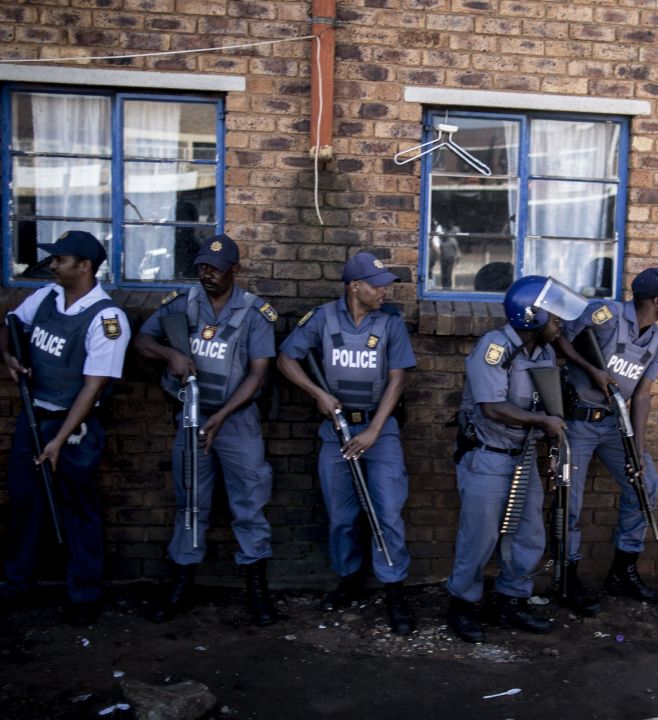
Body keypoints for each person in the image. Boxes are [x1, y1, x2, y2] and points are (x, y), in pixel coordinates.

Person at [135, 235, 280, 626]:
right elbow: (142, 340)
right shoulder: (183, 303)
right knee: (190, 505)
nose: (207, 273)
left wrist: (222, 416)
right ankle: (181, 586)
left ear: (235, 269)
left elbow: (259, 374)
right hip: (191, 417)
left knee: (249, 504)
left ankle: (256, 589)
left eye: (215, 268)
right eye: (202, 266)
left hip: (236, 423)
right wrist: (172, 354)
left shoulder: (254, 313)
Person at [276, 252, 417, 635]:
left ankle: (394, 589)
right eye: (377, 285)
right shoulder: (322, 318)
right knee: (341, 515)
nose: (384, 291)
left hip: (379, 429)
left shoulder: (389, 324)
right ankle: (348, 578)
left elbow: (398, 378)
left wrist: (374, 430)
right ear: (355, 287)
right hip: (336, 429)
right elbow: (286, 358)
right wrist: (316, 394)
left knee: (387, 512)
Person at [445, 275, 586, 643]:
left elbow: (549, 408)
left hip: (523, 459)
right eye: (555, 318)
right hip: (488, 458)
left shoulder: (543, 353)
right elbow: (492, 408)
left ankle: (512, 600)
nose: (561, 325)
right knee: (479, 538)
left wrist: (553, 444)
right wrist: (542, 421)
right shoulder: (494, 347)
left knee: (529, 534)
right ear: (531, 317)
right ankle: (461, 605)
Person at [0, 231, 130, 626]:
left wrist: (58, 440)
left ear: (85, 266)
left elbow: (93, 388)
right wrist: (7, 355)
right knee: (25, 501)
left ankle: (84, 593)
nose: (53, 265)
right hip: (34, 414)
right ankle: (16, 582)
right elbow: (9, 322)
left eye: (61, 259)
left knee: (77, 508)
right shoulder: (47, 298)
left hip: (76, 427)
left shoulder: (108, 320)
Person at [552, 267, 658, 613]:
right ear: (655, 300)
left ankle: (623, 570)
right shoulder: (606, 313)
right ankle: (567, 578)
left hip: (616, 424)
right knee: (570, 500)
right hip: (578, 422)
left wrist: (637, 451)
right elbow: (559, 337)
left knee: (645, 483)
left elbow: (642, 395)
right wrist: (591, 369)